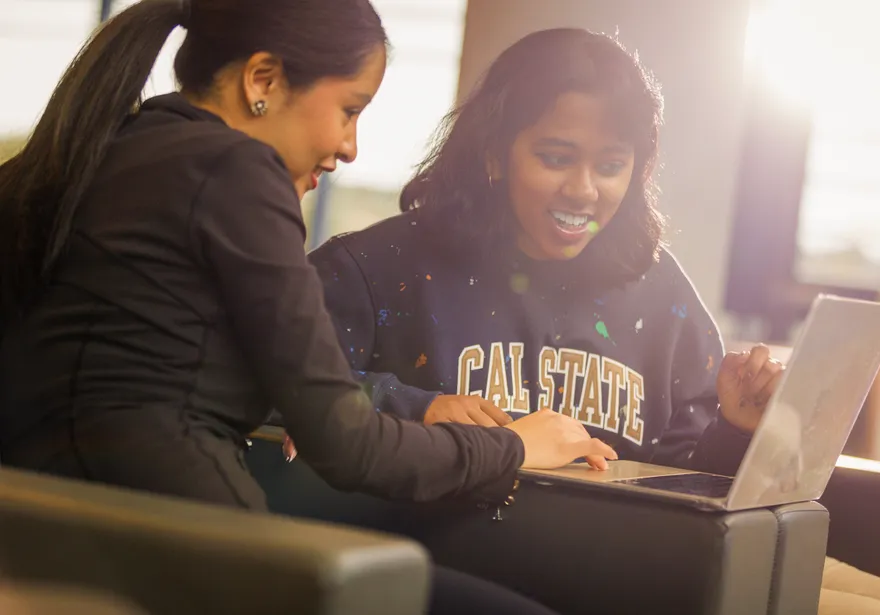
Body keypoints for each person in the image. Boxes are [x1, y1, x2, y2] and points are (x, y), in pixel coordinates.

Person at [0, 3, 613, 613]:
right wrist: (513, 449)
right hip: (193, 549)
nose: (349, 147)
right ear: (262, 80)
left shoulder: (74, 159)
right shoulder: (237, 172)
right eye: (349, 110)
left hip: (45, 538)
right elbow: (349, 446)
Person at [306, 28, 880, 612]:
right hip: (467, 569)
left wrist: (736, 427)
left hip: (638, 563)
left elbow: (686, 487)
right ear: (492, 154)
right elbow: (274, 392)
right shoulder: (375, 269)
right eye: (555, 158)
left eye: (611, 166)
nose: (583, 191)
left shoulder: (659, 290)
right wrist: (415, 405)